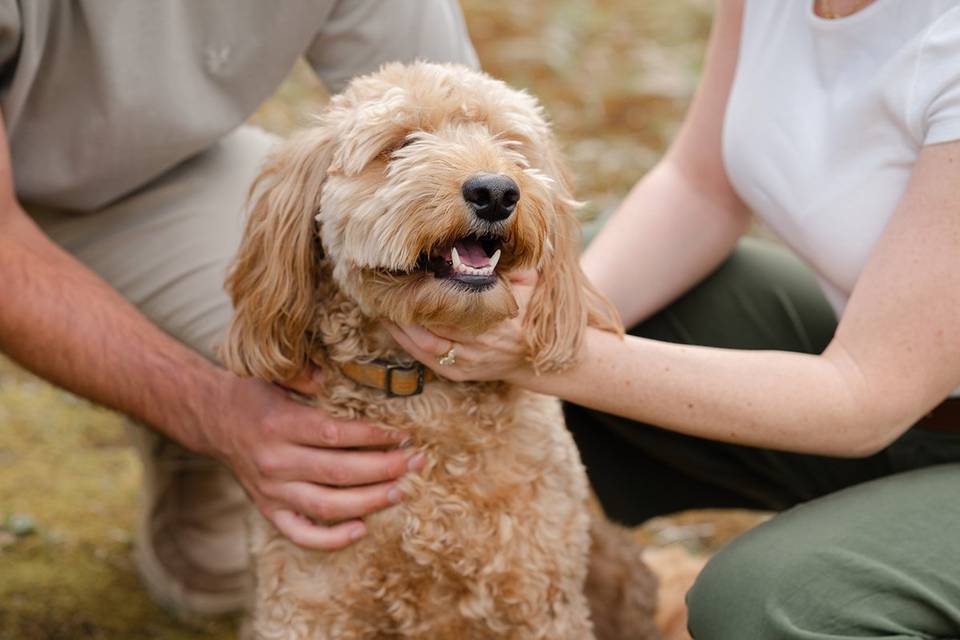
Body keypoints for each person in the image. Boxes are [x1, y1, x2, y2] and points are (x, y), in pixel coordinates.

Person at [386, 0, 960, 637]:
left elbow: (866, 396)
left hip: (889, 397)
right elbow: (700, 185)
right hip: (891, 367)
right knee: (608, 303)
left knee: (764, 605)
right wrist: (548, 308)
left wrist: (549, 349)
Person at [0, 0, 478, 620]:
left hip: (155, 180)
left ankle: (199, 464)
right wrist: (206, 407)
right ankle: (194, 424)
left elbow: (465, 145)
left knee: (340, 298)